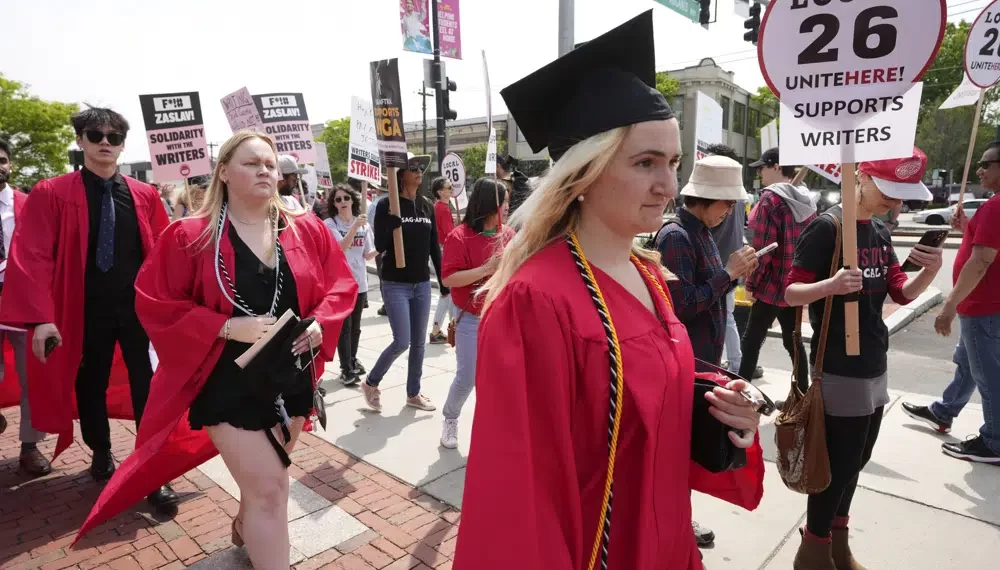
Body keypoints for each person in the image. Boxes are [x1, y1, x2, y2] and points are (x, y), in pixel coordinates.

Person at [453, 12, 764, 569]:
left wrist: (717, 405)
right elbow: (521, 492)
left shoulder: (647, 274)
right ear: (583, 173)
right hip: (600, 549)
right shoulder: (536, 299)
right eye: (644, 162)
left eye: (671, 161)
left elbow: (638, 398)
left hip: (666, 538)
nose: (668, 184)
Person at [76, 131, 357, 569]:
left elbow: (339, 286)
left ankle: (247, 526)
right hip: (224, 380)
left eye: (269, 163)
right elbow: (156, 302)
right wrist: (225, 326)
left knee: (270, 475)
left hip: (291, 374)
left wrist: (322, 322)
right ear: (223, 172)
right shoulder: (189, 236)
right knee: (271, 489)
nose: (265, 169)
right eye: (251, 163)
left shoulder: (305, 228)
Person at [0, 108, 177, 509]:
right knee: (90, 383)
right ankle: (101, 451)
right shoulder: (52, 193)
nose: (105, 142)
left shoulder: (144, 194)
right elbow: (34, 255)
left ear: (122, 144)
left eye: (114, 137)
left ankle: (151, 468)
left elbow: (165, 253)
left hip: (138, 311)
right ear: (80, 140)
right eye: (95, 134)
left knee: (149, 385)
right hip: (82, 311)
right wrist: (43, 318)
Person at [784, 148, 942, 569]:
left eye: (903, 193)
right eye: (889, 190)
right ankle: (813, 551)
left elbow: (900, 292)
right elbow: (790, 293)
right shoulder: (826, 228)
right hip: (839, 363)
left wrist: (929, 270)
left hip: (875, 359)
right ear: (861, 177)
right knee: (837, 466)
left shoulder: (878, 231)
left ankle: (837, 543)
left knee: (858, 461)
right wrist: (830, 285)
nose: (897, 202)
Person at [902, 141, 1000, 465]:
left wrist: (949, 307)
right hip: (987, 307)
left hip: (983, 307)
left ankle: (994, 442)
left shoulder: (995, 207)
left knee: (987, 375)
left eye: (987, 164)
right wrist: (967, 227)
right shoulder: (991, 208)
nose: (980, 170)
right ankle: (943, 412)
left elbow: (981, 261)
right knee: (969, 365)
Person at [657, 155, 758, 367]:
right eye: (728, 203)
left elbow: (710, 289)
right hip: (687, 358)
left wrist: (736, 273)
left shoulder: (703, 231)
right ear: (708, 197)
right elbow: (683, 305)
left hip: (704, 355)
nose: (730, 211)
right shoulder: (677, 236)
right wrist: (728, 273)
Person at [364, 152, 445, 412]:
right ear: (399, 175)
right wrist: (390, 224)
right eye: (413, 167)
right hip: (395, 282)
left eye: (420, 166)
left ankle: (413, 394)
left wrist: (443, 281)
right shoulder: (387, 204)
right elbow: (380, 245)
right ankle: (371, 382)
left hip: (421, 283)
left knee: (419, 343)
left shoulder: (426, 206)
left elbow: (434, 246)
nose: (419, 170)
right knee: (402, 341)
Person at [439, 178, 513, 449]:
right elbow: (448, 280)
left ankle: (490, 429)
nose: (507, 207)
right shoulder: (458, 237)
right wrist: (485, 270)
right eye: (503, 201)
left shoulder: (509, 235)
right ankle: (450, 417)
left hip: (501, 316)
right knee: (468, 375)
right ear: (490, 204)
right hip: (469, 317)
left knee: (496, 378)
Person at [740, 147, 817, 393]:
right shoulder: (807, 200)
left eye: (763, 167)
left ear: (776, 167)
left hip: (770, 286)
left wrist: (751, 284)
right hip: (796, 285)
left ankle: (738, 394)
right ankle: (802, 395)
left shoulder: (770, 200)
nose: (760, 172)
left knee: (751, 341)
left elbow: (763, 251)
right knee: (793, 342)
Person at [0, 138, 52, 477]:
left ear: (10, 165)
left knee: (32, 378)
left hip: (22, 307)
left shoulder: (28, 204)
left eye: (2, 159)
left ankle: (29, 448)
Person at [703, 143, 753, 376]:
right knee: (727, 317)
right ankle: (735, 365)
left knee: (723, 319)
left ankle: (733, 366)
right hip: (729, 262)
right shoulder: (739, 194)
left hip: (718, 264)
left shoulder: (720, 194)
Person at [325, 183, 376, 386]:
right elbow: (340, 249)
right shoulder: (330, 224)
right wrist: (355, 227)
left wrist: (387, 244)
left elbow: (368, 254)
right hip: (340, 284)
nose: (343, 202)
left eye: (346, 198)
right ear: (334, 204)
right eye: (338, 199)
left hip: (360, 283)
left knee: (355, 328)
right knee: (344, 328)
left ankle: (352, 361)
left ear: (353, 200)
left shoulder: (364, 224)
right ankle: (346, 369)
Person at [430, 176, 455, 344]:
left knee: (447, 293)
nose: (451, 189)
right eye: (449, 187)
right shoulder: (442, 208)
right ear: (440, 192)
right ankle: (450, 329)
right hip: (444, 252)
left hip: (440, 251)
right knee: (448, 293)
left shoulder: (438, 207)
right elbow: (450, 234)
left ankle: (438, 330)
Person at [368, 178, 391, 316]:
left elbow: (370, 226)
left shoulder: (375, 204)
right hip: (397, 245)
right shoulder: (398, 201)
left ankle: (387, 305)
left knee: (384, 276)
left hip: (381, 246)